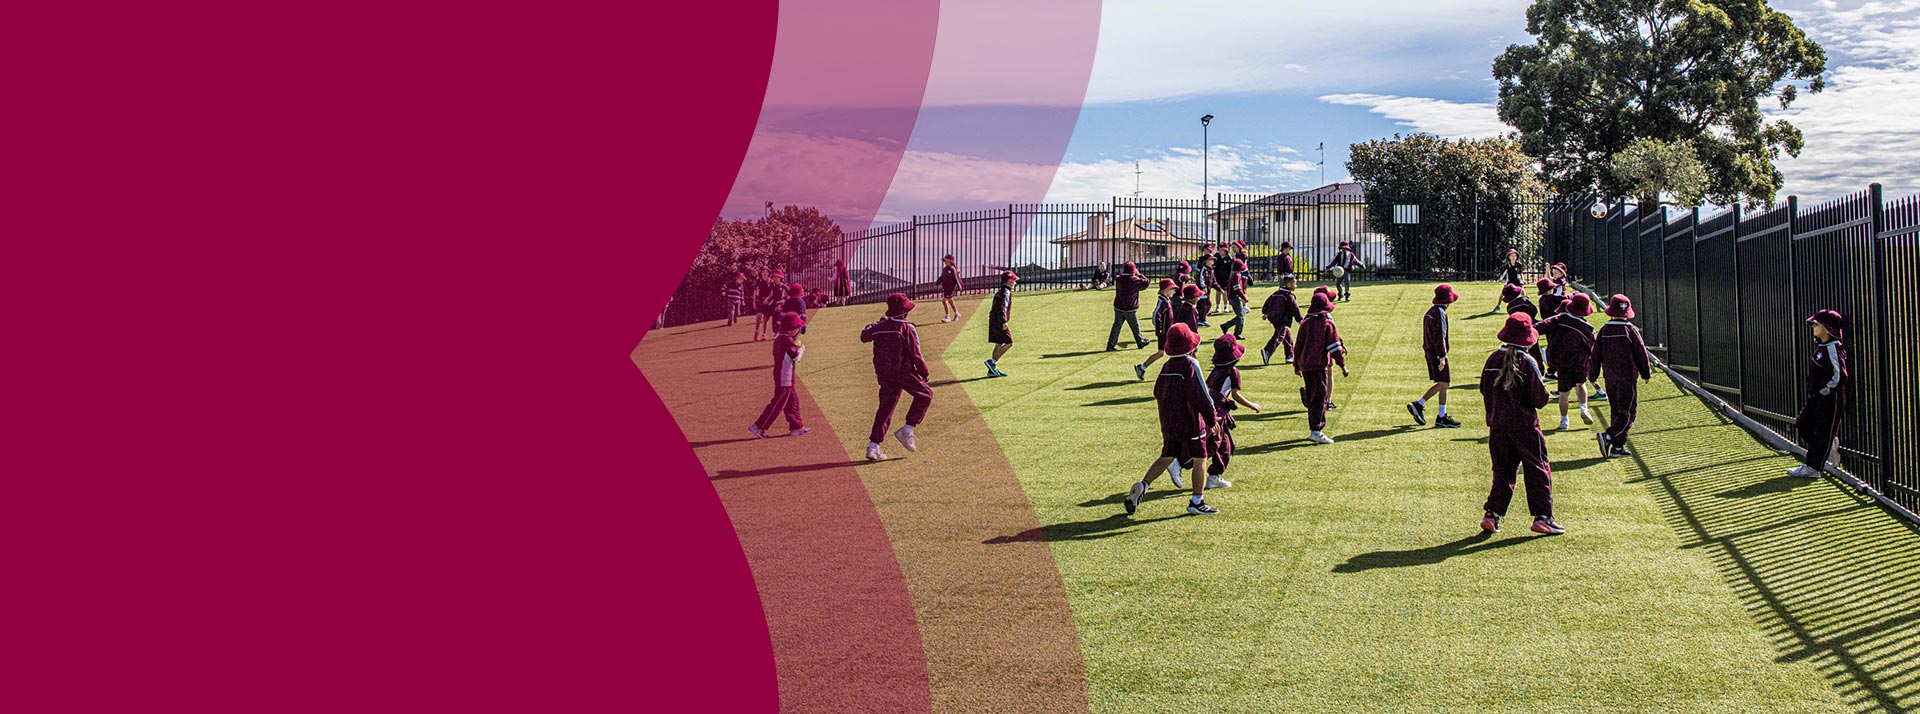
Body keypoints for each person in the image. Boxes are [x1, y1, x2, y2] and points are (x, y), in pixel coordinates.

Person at [1122, 323, 1223, 517]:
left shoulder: (1166, 366)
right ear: (1190, 345)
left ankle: (1143, 485)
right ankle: (1197, 500)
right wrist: (1212, 418)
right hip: (1190, 422)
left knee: (1167, 456)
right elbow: (1201, 394)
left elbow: (1157, 391)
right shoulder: (1190, 364)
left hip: (1168, 422)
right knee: (1200, 458)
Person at [1479, 313, 1564, 535]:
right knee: (1538, 469)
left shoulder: (1492, 359)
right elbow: (1540, 398)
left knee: (1503, 472)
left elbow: (1483, 389)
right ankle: (1543, 516)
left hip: (1497, 425)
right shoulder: (1527, 362)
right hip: (1525, 426)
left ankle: (1493, 514)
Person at [860, 294, 934, 462]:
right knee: (925, 395)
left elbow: (864, 336)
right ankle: (907, 429)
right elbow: (915, 353)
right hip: (903, 371)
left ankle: (873, 446)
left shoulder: (879, 327)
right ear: (904, 313)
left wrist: (877, 323)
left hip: (883, 373)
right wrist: (924, 371)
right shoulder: (906, 328)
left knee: (885, 407)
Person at [1589, 294, 1651, 458]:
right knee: (1629, 412)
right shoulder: (1630, 330)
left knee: (1616, 411)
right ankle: (1609, 436)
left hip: (1610, 378)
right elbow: (1641, 353)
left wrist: (1592, 375)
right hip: (1627, 379)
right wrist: (1646, 373)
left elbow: (1595, 355)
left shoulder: (1604, 330)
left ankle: (1617, 447)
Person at [1791, 309, 1850, 478]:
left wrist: (1823, 390)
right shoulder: (1821, 346)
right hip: (1817, 396)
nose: (1813, 327)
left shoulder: (1832, 348)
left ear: (1826, 328)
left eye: (1816, 324)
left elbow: (1838, 375)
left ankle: (1813, 468)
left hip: (1830, 397)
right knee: (1803, 423)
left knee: (1824, 430)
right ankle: (1825, 446)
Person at [1205, 334, 1261, 489]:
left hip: (1212, 408)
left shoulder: (1215, 370)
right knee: (1219, 444)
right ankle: (1182, 462)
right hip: (1219, 411)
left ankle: (1214, 475)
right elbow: (1235, 394)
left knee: (1225, 443)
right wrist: (1252, 406)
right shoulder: (1233, 371)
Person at [1536, 293, 1598, 430]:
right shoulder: (1587, 328)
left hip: (1561, 362)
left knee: (1563, 393)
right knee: (1581, 385)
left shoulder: (1559, 319)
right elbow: (1595, 347)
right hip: (1580, 363)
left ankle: (1564, 420)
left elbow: (1540, 326)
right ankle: (1584, 409)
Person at [1293, 292, 1348, 444]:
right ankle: (1316, 430)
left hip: (1305, 365)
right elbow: (1334, 348)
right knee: (1320, 397)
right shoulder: (1327, 324)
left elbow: (1297, 346)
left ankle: (1314, 427)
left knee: (1312, 397)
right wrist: (1342, 365)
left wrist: (1296, 365)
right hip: (1318, 366)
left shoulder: (1305, 322)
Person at [748, 311, 812, 439]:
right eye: (796, 328)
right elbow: (796, 357)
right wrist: (802, 349)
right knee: (778, 403)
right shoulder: (785, 339)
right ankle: (759, 426)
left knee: (792, 401)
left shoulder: (781, 337)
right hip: (784, 377)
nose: (798, 330)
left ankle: (796, 426)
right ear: (790, 329)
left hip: (785, 375)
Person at [1408, 283, 1462, 428]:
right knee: (1444, 383)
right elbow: (1441, 336)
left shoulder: (1431, 311)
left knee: (1443, 383)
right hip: (1437, 353)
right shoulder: (1440, 313)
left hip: (1430, 351)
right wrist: (1442, 356)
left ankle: (1419, 404)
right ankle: (1441, 416)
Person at [1137, 282, 1200, 381]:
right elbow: (1157, 316)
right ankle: (1142, 367)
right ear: (1165, 291)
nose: (1174, 292)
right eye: (1172, 289)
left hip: (1168, 331)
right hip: (1164, 333)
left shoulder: (1167, 300)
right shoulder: (1162, 302)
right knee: (1163, 353)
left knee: (1169, 352)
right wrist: (1160, 330)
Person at [1107, 261, 1153, 351]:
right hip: (1129, 307)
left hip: (1118, 306)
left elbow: (1118, 275)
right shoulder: (1134, 280)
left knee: (1116, 326)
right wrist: (1139, 275)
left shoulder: (1119, 279)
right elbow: (1147, 282)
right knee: (1135, 325)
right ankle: (1140, 341)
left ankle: (1111, 344)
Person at [1259, 274, 1303, 365]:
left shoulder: (1276, 293)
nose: (1296, 286)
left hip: (1274, 318)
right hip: (1281, 319)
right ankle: (1267, 351)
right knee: (1279, 336)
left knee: (1287, 336)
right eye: (1295, 283)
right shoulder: (1288, 296)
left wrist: (1266, 313)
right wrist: (1300, 319)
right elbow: (1295, 308)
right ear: (1289, 284)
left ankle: (1290, 355)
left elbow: (1267, 303)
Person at [985, 271, 1017, 377]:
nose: (1015, 283)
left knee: (999, 342)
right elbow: (1002, 307)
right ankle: (992, 362)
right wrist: (1004, 321)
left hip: (994, 320)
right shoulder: (1006, 293)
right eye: (1014, 281)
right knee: (1009, 343)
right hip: (999, 321)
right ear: (1009, 282)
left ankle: (992, 370)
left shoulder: (1001, 291)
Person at [1218, 258, 1252, 338]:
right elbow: (1237, 289)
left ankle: (1226, 326)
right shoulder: (1236, 276)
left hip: (1233, 297)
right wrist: (1244, 297)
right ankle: (1237, 333)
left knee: (1241, 314)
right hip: (1235, 298)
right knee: (1241, 316)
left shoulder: (1234, 275)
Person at [1494, 248, 1524, 313]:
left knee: (1522, 292)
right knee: (1503, 293)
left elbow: (1521, 273)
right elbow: (1504, 273)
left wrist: (1523, 280)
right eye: (1512, 256)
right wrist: (1501, 278)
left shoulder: (1519, 265)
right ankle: (1498, 306)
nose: (1513, 257)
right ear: (1509, 257)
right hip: (1509, 281)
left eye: (1515, 256)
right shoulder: (1507, 265)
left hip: (1517, 281)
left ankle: (1526, 304)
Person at [938, 254, 960, 323]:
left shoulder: (953, 269)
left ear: (950, 260)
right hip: (946, 287)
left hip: (951, 288)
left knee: (944, 301)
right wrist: (938, 282)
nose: (944, 261)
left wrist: (959, 286)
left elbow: (956, 278)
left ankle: (948, 316)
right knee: (950, 300)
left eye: (946, 259)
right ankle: (957, 313)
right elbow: (942, 277)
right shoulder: (945, 269)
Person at [1194, 254, 1216, 325]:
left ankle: (1198, 318)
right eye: (1211, 259)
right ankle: (1202, 320)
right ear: (1206, 261)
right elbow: (1201, 279)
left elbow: (1214, 281)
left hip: (1207, 292)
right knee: (1204, 305)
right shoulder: (1203, 269)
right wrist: (1203, 287)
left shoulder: (1211, 270)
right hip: (1202, 291)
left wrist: (1218, 288)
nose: (1213, 261)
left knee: (1206, 305)